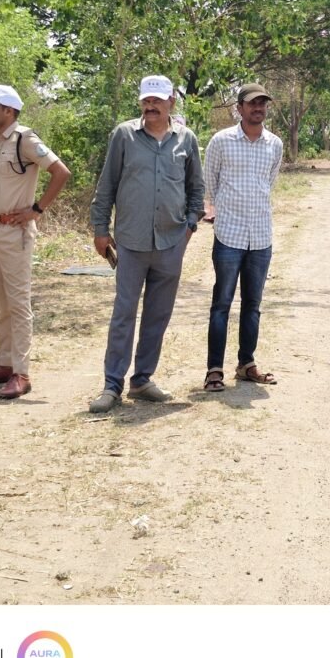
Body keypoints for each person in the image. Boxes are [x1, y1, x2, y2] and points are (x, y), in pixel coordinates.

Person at [89, 75, 204, 412]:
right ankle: (112, 385)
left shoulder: (187, 139)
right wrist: (100, 228)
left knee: (158, 315)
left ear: (171, 102)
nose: (150, 106)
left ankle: (142, 380)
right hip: (130, 241)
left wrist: (190, 226)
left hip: (170, 242)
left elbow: (196, 188)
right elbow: (106, 184)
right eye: (145, 100)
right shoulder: (124, 135)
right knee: (123, 313)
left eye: (157, 100)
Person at [0, 85, 70, 399]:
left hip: (15, 232)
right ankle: (3, 362)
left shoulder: (25, 139)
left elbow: (60, 172)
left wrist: (37, 210)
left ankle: (21, 372)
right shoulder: (0, 141)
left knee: (18, 301)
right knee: (0, 300)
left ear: (9, 111)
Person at [202, 83, 284, 392]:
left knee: (253, 304)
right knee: (221, 304)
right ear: (239, 108)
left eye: (263, 103)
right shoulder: (221, 141)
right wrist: (214, 210)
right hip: (229, 235)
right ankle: (214, 370)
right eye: (252, 103)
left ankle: (246, 364)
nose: (258, 108)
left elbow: (269, 182)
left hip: (261, 236)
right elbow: (210, 182)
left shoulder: (274, 144)